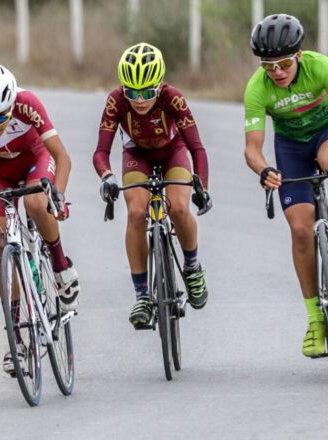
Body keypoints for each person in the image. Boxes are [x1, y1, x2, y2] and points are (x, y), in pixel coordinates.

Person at [243, 14, 328, 358]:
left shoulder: (321, 67)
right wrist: (264, 169)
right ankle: (316, 319)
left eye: (284, 63)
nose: (277, 72)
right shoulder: (257, 87)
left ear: (298, 56)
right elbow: (252, 147)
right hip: (291, 146)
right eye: (268, 66)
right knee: (300, 229)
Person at [0, 62, 80, 375]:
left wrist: (57, 196)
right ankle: (16, 341)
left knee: (36, 204)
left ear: (11, 106)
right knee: (2, 243)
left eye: (0, 116)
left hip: (36, 157)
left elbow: (62, 157)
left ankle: (60, 268)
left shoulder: (28, 103)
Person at [94, 43, 211, 327]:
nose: (140, 100)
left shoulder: (173, 98)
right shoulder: (115, 101)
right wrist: (106, 177)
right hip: (136, 156)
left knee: (179, 208)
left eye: (147, 93)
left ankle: (192, 268)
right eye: (132, 93)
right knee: (136, 212)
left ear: (159, 85)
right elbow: (101, 152)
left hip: (173, 151)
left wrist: (202, 186)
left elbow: (197, 148)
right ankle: (142, 295)